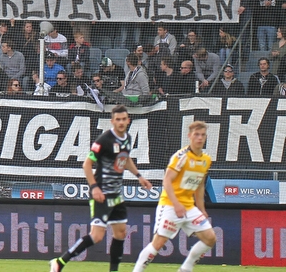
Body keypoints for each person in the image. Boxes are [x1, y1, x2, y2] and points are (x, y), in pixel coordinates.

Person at [50, 105, 153, 272]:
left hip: (116, 194)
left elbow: (125, 159)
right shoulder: (104, 140)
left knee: (120, 233)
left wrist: (139, 176)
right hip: (102, 195)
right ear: (112, 121)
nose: (120, 122)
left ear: (128, 120)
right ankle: (60, 262)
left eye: (123, 119)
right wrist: (94, 188)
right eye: (117, 119)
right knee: (97, 236)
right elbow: (87, 164)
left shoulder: (127, 138)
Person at [132, 122, 217, 272]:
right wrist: (176, 204)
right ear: (189, 136)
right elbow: (167, 180)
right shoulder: (181, 157)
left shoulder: (205, 160)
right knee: (158, 244)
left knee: (210, 238)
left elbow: (199, 185)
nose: (199, 138)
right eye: (196, 134)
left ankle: (185, 269)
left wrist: (201, 209)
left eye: (202, 135)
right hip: (170, 205)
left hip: (189, 208)